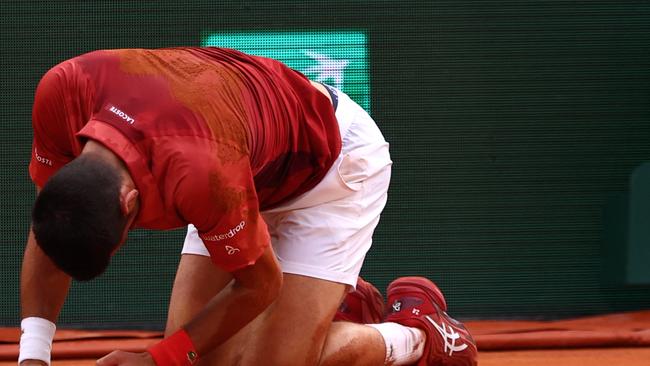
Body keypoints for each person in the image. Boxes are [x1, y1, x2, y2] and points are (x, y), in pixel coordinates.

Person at [19, 47, 477, 366]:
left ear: (130, 201)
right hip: (242, 160)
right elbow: (53, 224)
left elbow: (259, 284)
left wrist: (162, 358)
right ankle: (333, 306)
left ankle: (420, 336)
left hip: (332, 168)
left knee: (268, 362)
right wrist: (33, 356)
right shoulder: (62, 92)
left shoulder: (200, 174)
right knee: (200, 356)